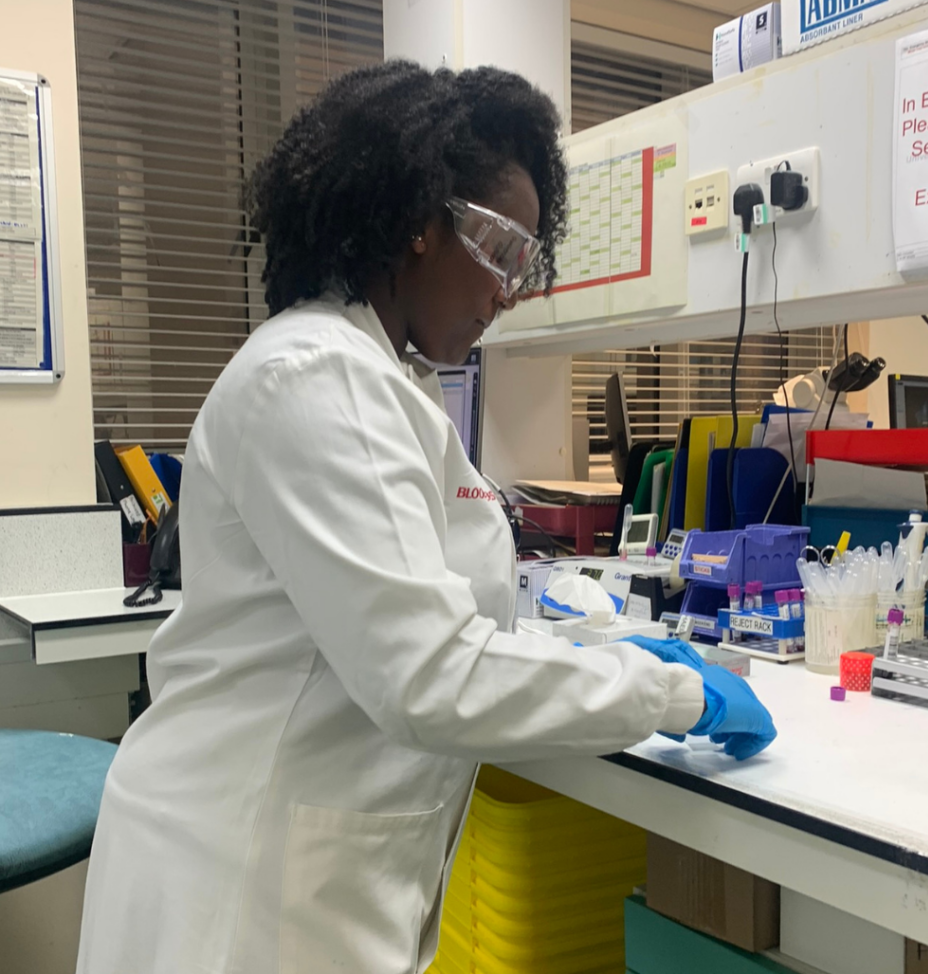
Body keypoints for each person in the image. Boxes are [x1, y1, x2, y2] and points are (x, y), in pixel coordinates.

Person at [76, 60, 776, 974]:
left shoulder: (387, 384)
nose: (508, 291)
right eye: (499, 250)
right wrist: (664, 693)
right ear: (416, 221)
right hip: (237, 877)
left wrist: (590, 657)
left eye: (526, 262)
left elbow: (423, 619)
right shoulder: (315, 375)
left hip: (310, 862)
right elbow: (431, 676)